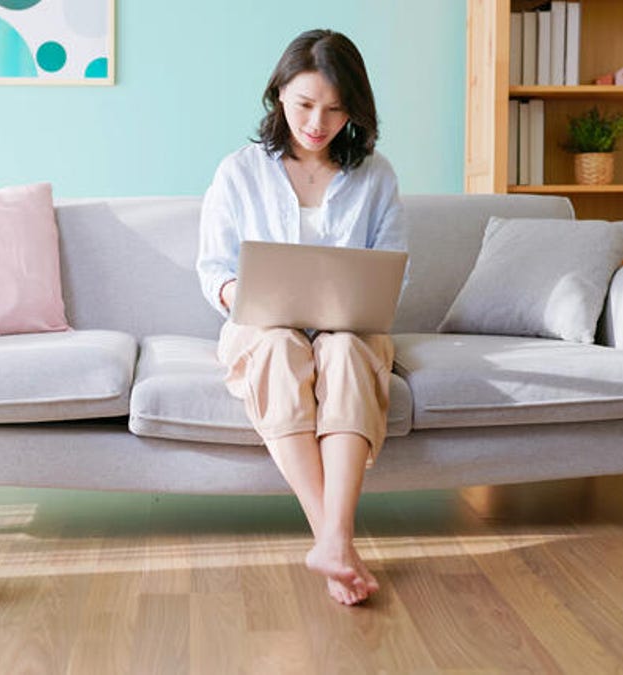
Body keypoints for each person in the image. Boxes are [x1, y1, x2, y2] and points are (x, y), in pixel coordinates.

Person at [195, 29, 406, 606]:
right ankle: (334, 541)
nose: (318, 122)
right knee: (278, 348)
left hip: (349, 328)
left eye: (336, 110)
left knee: (341, 351)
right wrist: (244, 293)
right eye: (305, 104)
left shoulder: (376, 175)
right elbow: (213, 267)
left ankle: (332, 542)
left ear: (355, 110)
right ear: (279, 92)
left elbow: (391, 269)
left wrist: (354, 306)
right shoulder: (239, 171)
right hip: (263, 327)